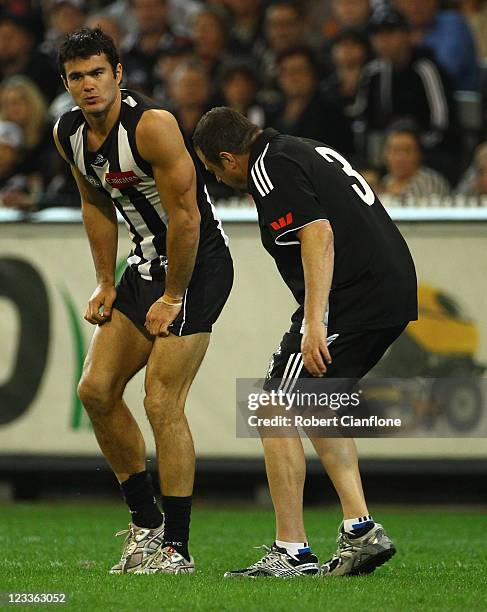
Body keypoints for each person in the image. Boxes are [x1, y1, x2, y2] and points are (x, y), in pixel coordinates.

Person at [193, 107, 417, 577]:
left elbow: (317, 233)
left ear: (229, 158)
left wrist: (315, 320)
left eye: (213, 168)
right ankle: (360, 530)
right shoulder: (302, 148)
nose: (216, 177)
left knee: (272, 405)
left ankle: (291, 552)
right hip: (387, 287)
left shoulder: (268, 167)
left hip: (355, 295)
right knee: (314, 402)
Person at [53, 28, 233, 575]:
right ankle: (145, 526)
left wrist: (174, 295)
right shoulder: (69, 133)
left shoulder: (151, 126)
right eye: (76, 77)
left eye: (96, 73)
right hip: (144, 266)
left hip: (196, 267)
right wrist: (106, 282)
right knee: (96, 391)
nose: (88, 85)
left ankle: (176, 548)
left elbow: (187, 216)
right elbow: (94, 202)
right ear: (66, 83)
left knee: (161, 401)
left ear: (119, 74)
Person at [354, 7, 459, 178]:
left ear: (407, 35)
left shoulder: (426, 69)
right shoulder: (372, 72)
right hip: (386, 156)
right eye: (377, 35)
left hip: (428, 156)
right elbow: (362, 124)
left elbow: (441, 126)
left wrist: (412, 151)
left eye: (390, 33)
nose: (383, 41)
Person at [394, 0, 479, 92]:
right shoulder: (395, 30)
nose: (416, 5)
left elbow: (441, 75)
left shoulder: (453, 24)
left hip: (453, 102)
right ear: (397, 4)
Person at [380, 121, 450, 199]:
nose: (401, 157)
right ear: (385, 154)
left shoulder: (433, 184)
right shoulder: (383, 183)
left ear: (418, 154)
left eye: (407, 150)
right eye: (395, 150)